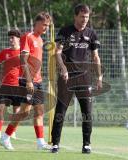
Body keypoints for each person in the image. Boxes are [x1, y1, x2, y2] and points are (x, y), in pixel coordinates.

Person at [50, 4, 102, 154]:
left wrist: (99, 76)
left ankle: (87, 144)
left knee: (87, 112)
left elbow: (95, 56)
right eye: (82, 16)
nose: (84, 19)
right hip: (67, 78)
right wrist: (63, 68)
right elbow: (57, 52)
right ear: (75, 16)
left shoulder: (91, 34)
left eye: (87, 17)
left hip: (84, 78)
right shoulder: (65, 32)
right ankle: (55, 144)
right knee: (60, 110)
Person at [0, 11, 52, 150]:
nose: (46, 28)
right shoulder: (27, 37)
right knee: (25, 112)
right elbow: (23, 60)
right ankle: (5, 137)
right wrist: (28, 81)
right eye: (45, 25)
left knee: (39, 111)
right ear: (37, 23)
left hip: (38, 81)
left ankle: (40, 143)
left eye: (48, 25)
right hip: (28, 80)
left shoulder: (40, 40)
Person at [0, 29, 22, 139]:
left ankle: (12, 132)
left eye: (12, 37)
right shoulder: (5, 52)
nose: (10, 39)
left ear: (18, 39)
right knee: (0, 108)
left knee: (16, 110)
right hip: (5, 85)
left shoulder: (23, 52)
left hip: (18, 86)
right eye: (10, 37)